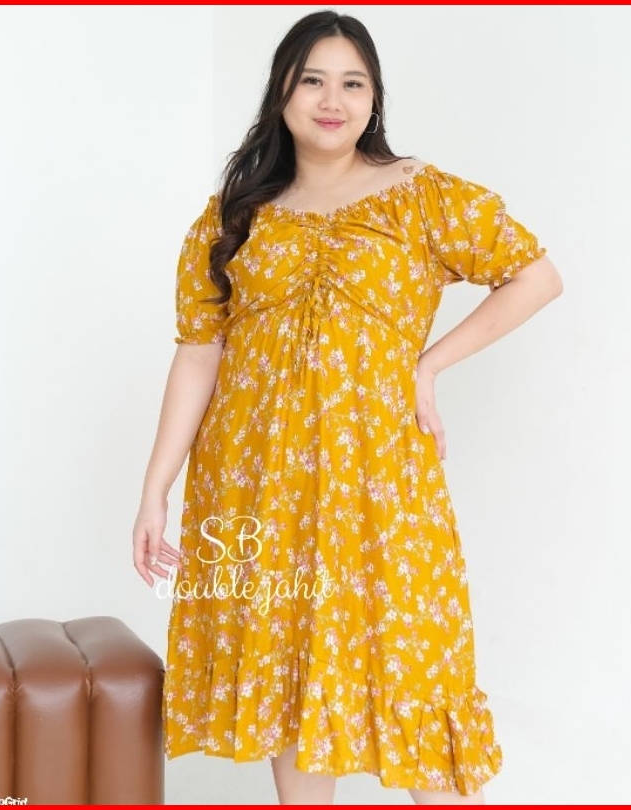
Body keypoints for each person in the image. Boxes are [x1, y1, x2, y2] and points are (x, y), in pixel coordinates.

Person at [132, 10, 562, 806]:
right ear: (282, 92)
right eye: (313, 81)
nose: (333, 100)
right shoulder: (235, 215)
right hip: (259, 482)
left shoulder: (420, 196)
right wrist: (155, 489)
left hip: (380, 482)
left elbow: (535, 276)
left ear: (374, 97)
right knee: (292, 673)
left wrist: (430, 362)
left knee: (415, 664)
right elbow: (198, 353)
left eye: (352, 83)